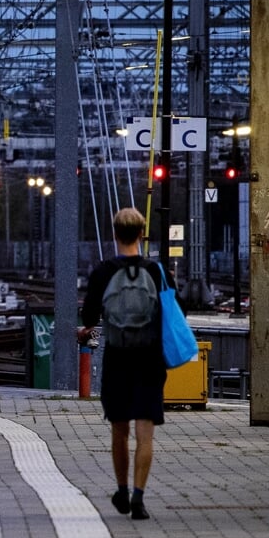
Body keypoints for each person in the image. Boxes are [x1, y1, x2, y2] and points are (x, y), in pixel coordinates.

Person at [77, 206, 169, 521]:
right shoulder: (156, 271)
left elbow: (89, 316)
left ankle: (121, 490)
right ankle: (140, 497)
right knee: (146, 433)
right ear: (141, 235)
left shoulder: (103, 272)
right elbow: (171, 311)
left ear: (115, 235)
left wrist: (87, 327)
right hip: (149, 359)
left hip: (117, 358)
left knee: (120, 430)